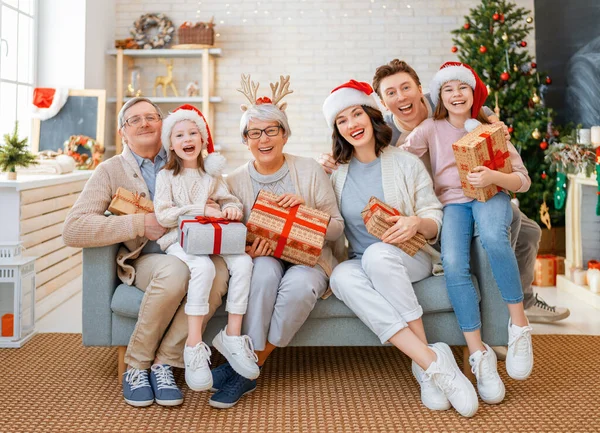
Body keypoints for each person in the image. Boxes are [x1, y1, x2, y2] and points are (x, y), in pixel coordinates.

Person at [319, 59, 570, 324]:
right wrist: (332, 161)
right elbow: (354, 147)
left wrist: (495, 124)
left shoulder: (443, 102)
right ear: (382, 102)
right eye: (391, 93)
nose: (401, 97)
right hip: (436, 203)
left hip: (476, 190)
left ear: (420, 88)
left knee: (526, 228)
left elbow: (477, 105)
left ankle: (521, 301)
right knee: (466, 240)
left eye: (406, 88)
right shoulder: (386, 133)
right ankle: (494, 314)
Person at [323, 80, 479, 418]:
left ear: (371, 116)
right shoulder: (336, 175)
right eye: (342, 120)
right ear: (337, 131)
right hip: (360, 260)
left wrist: (415, 223)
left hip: (411, 256)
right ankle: (431, 361)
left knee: (380, 255)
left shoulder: (406, 161)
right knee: (340, 278)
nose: (352, 124)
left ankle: (426, 367)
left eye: (357, 114)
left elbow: (434, 215)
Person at [62, 97, 229, 407]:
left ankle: (165, 362)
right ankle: (136, 366)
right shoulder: (110, 170)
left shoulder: (185, 154)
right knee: (174, 271)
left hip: (194, 249)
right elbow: (73, 229)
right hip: (146, 258)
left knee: (219, 272)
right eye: (134, 120)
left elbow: (220, 190)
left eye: (151, 117)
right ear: (122, 132)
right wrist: (138, 224)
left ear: (162, 124)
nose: (144, 123)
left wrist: (220, 207)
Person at [208, 74, 345, 409]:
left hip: (310, 259)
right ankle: (246, 364)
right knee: (264, 273)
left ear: (285, 134)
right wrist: (246, 247)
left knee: (300, 287)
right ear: (245, 140)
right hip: (263, 258)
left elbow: (338, 229)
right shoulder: (234, 180)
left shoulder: (309, 170)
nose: (263, 139)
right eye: (254, 133)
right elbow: (230, 230)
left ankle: (248, 366)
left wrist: (307, 212)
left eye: (271, 130)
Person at [403, 62, 534, 405]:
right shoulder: (430, 128)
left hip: (491, 194)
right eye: (448, 89)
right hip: (452, 205)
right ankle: (479, 355)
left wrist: (494, 177)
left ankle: (519, 328)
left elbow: (523, 179)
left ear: (473, 93)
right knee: (453, 262)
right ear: (440, 97)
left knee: (493, 236)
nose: (456, 94)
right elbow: (397, 160)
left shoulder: (490, 127)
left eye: (463, 87)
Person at [154, 104, 259, 393]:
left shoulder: (212, 176)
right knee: (202, 266)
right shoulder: (166, 177)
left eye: (193, 133)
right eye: (179, 135)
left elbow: (229, 201)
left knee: (244, 263)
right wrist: (199, 208)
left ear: (202, 139)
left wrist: (231, 210)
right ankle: (194, 345)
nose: (187, 139)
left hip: (213, 237)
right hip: (180, 240)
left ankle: (232, 336)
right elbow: (164, 215)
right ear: (171, 145)